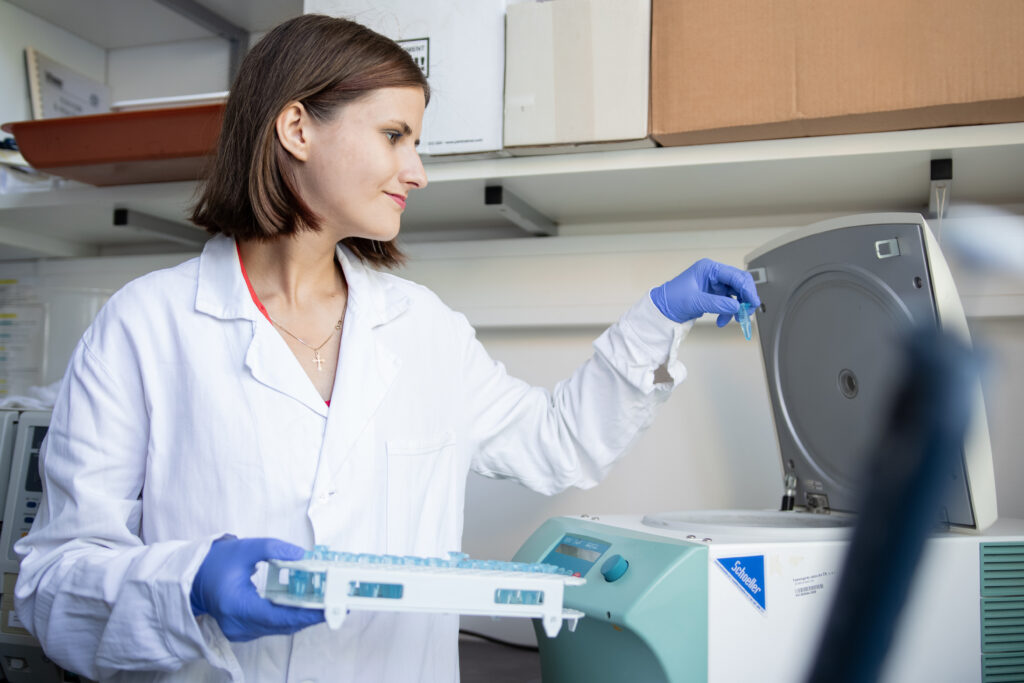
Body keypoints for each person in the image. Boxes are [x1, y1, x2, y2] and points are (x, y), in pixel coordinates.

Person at [13, 14, 760, 683]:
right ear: (297, 128)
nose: (418, 171)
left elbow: (558, 444)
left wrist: (655, 319)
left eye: (417, 143)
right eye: (395, 135)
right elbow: (52, 586)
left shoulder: (423, 328)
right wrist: (190, 584)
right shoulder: (145, 326)